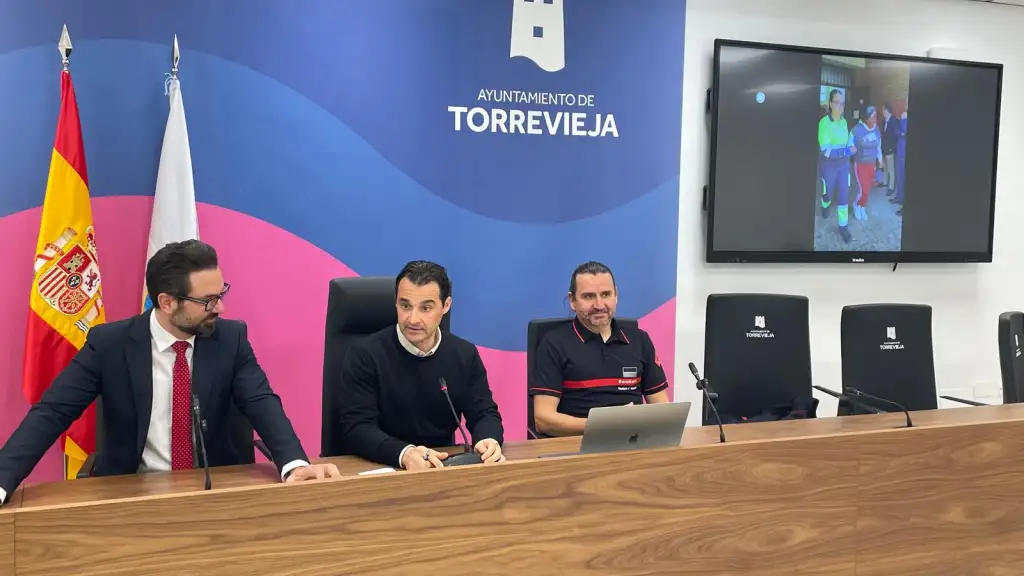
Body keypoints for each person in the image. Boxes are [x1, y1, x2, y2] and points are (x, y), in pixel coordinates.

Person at [0, 240, 339, 504]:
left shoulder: (230, 339)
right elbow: (53, 411)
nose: (221, 308)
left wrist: (294, 464)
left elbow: (262, 401)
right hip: (132, 494)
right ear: (167, 303)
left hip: (216, 492)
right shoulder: (110, 345)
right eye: (208, 301)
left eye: (221, 294)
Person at [337, 260, 504, 470]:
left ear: (446, 306)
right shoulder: (364, 355)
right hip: (382, 467)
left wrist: (488, 440)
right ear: (395, 303)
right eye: (405, 306)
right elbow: (358, 428)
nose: (413, 319)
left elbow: (484, 413)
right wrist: (405, 453)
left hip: (441, 466)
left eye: (426, 308)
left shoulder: (464, 354)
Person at [529, 262, 669, 437]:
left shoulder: (640, 340)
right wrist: (605, 425)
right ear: (572, 301)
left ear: (616, 295)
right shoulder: (553, 343)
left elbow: (662, 410)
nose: (599, 304)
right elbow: (543, 420)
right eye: (588, 296)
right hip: (577, 444)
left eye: (606, 294)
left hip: (633, 442)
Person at [818, 88, 856, 243]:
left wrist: (851, 144)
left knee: (843, 195)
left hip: (843, 166)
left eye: (842, 103)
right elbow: (826, 151)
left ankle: (843, 226)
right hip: (829, 166)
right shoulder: (824, 123)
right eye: (837, 103)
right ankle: (824, 204)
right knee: (827, 193)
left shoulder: (845, 122)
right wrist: (846, 151)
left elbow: (848, 139)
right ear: (830, 104)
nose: (840, 106)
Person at [851, 105, 884, 222]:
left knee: (867, 190)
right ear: (866, 117)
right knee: (863, 190)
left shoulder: (876, 129)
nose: (875, 119)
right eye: (872, 117)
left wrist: (880, 162)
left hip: (872, 165)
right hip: (860, 165)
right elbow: (849, 145)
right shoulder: (857, 130)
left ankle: (862, 207)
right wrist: (851, 149)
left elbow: (878, 147)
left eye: (876, 116)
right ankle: (856, 205)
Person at [881, 103, 899, 195]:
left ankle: (891, 187)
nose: (882, 111)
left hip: (890, 149)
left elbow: (896, 136)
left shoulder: (895, 121)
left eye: (883, 109)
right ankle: (885, 183)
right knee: (885, 167)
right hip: (884, 148)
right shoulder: (883, 121)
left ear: (887, 110)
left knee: (891, 169)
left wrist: (891, 147)